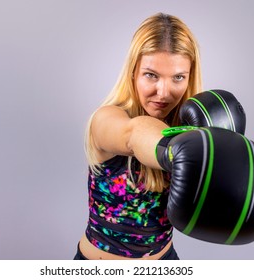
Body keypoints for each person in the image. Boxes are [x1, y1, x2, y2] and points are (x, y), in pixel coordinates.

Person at [74, 12, 203, 260]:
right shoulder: (107, 119)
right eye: (151, 75)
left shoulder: (193, 130)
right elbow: (134, 134)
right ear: (133, 71)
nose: (163, 92)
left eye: (178, 77)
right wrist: (178, 151)